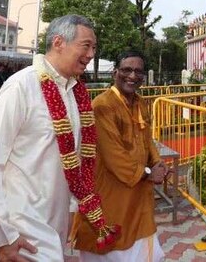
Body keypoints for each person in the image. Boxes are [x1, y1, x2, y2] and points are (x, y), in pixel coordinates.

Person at [0, 14, 119, 262]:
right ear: (59, 42)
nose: (92, 53)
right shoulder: (21, 86)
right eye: (86, 45)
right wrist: (2, 236)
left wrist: (73, 208)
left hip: (55, 222)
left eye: (94, 47)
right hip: (20, 227)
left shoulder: (75, 92)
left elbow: (73, 160)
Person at [75, 51, 167, 262]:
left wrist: (158, 163)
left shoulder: (140, 102)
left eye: (138, 71)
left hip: (138, 194)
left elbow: (147, 139)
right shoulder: (102, 106)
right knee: (113, 249)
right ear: (115, 72)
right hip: (111, 193)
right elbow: (114, 156)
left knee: (143, 249)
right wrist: (147, 173)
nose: (132, 76)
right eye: (127, 70)